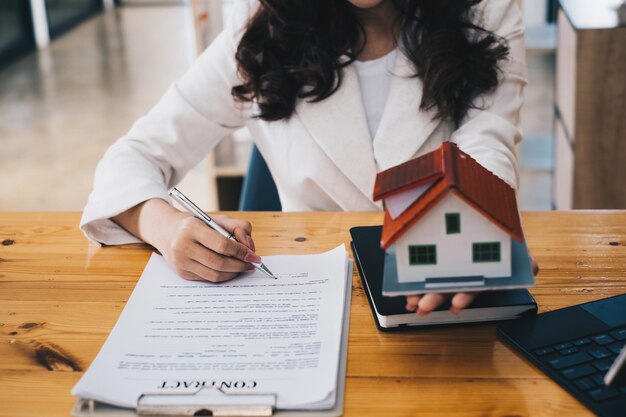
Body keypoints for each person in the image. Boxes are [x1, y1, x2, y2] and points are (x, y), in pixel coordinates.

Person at [81, 0, 527, 316]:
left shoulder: (486, 11)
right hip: (310, 302)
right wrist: (165, 226)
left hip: (449, 300)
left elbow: (488, 140)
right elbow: (134, 154)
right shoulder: (260, 29)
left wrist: (473, 228)